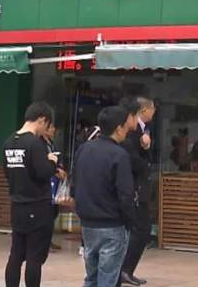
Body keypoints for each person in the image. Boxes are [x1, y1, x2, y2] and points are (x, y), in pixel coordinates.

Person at [72, 106, 136, 287]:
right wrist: (130, 220)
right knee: (108, 278)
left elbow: (74, 183)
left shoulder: (83, 149)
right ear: (118, 128)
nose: (127, 130)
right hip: (112, 224)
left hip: (88, 224)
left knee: (91, 277)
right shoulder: (119, 155)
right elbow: (125, 193)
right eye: (126, 126)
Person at [3, 102, 59, 287]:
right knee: (34, 257)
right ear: (42, 119)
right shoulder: (34, 143)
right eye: (47, 124)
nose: (46, 129)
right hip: (37, 205)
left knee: (16, 254)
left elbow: (7, 172)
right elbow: (43, 172)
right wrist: (52, 161)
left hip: (17, 204)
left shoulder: (9, 142)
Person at [119, 97, 156, 286]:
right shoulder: (131, 132)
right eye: (152, 108)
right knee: (141, 229)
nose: (154, 111)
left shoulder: (143, 130)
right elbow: (133, 159)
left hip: (140, 186)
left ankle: (126, 269)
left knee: (142, 229)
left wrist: (147, 147)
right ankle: (124, 269)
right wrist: (145, 165)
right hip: (135, 187)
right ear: (143, 110)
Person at [43, 123, 68, 250]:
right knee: (46, 212)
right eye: (51, 127)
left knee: (53, 211)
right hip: (47, 182)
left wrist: (60, 169)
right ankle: (43, 241)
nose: (53, 130)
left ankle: (48, 239)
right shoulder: (40, 144)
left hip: (55, 182)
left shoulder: (52, 144)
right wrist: (56, 171)